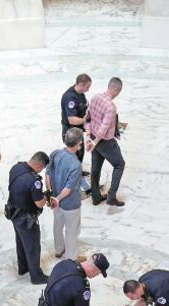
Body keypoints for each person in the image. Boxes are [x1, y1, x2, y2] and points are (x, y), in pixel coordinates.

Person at [7, 152, 51, 284]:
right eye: (42, 168)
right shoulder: (34, 181)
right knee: (32, 247)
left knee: (20, 242)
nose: (41, 171)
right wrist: (46, 197)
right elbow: (39, 203)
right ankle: (37, 276)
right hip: (27, 219)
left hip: (13, 212)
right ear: (38, 165)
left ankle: (23, 268)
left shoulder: (16, 167)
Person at [85, 77, 126, 206]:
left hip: (93, 138)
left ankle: (96, 197)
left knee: (95, 168)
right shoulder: (111, 107)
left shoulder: (95, 97)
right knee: (119, 164)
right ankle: (111, 197)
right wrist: (95, 142)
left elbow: (87, 118)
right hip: (104, 142)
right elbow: (103, 130)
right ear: (116, 90)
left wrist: (88, 136)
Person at [47, 128, 85, 260]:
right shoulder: (76, 164)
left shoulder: (55, 153)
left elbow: (47, 173)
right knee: (72, 231)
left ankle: (58, 250)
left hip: (55, 200)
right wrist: (57, 198)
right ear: (79, 143)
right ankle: (71, 258)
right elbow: (68, 189)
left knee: (57, 225)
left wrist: (51, 195)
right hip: (70, 204)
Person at [61, 74, 91, 165]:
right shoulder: (70, 97)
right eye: (87, 87)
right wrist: (85, 120)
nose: (88, 89)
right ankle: (72, 175)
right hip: (70, 132)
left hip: (78, 130)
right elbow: (72, 120)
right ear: (81, 84)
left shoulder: (80, 94)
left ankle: (78, 172)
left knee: (80, 153)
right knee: (74, 155)